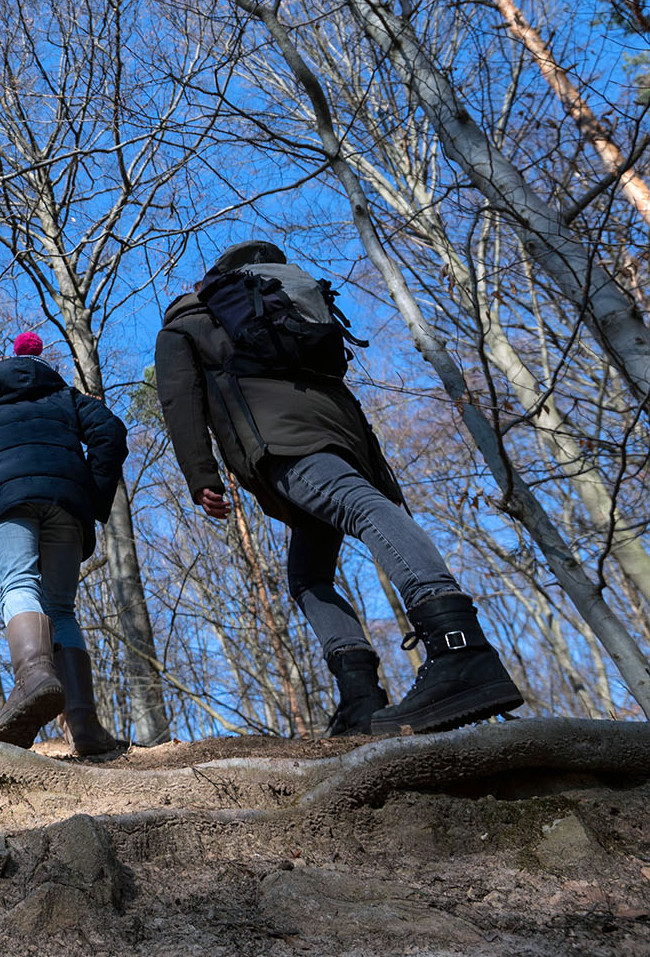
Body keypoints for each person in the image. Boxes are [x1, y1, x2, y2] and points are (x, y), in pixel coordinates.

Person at [154, 239, 523, 736]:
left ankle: (460, 648)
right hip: (346, 438)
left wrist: (201, 476)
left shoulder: (187, 322)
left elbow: (182, 403)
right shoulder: (293, 306)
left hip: (284, 442)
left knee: (361, 510)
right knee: (309, 575)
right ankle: (360, 699)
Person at [0, 332, 128, 755]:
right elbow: (110, 432)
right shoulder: (66, 400)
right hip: (67, 506)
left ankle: (35, 677)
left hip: (10, 506)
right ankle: (83, 725)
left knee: (19, 584)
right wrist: (92, 496)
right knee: (61, 608)